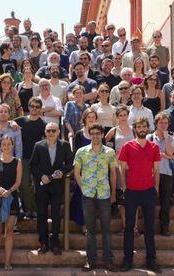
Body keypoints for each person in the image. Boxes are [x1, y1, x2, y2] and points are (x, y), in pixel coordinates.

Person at [118, 117, 161, 273]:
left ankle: (151, 261)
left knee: (149, 228)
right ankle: (127, 260)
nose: (142, 129)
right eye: (139, 126)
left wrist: (155, 188)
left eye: (144, 126)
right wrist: (124, 187)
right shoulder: (127, 146)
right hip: (131, 191)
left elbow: (156, 170)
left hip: (148, 191)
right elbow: (122, 170)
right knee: (129, 227)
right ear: (134, 128)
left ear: (147, 128)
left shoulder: (154, 147)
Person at [73, 123, 117, 272]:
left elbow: (113, 174)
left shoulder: (110, 152)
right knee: (90, 230)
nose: (96, 135)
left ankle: (108, 261)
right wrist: (83, 188)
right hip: (88, 195)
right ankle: (90, 261)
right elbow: (76, 172)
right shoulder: (81, 152)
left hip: (104, 194)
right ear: (89, 134)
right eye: (93, 133)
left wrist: (113, 194)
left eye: (98, 133)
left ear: (102, 134)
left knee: (106, 229)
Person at [30, 122, 73, 255]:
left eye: (53, 131)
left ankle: (55, 243)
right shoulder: (38, 146)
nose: (51, 133)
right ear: (45, 132)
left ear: (59, 132)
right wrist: (41, 176)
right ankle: (43, 242)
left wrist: (63, 171)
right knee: (42, 215)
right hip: (42, 185)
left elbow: (71, 163)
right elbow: (32, 165)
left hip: (57, 185)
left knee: (55, 215)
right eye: (48, 131)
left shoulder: (65, 145)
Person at [0, 136, 22, 270]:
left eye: (9, 144)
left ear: (12, 145)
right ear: (0, 146)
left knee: (9, 231)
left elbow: (18, 181)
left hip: (12, 198)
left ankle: (7, 262)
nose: (7, 146)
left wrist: (10, 191)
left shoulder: (17, 162)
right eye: (4, 144)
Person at [14, 97, 46, 219]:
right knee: (24, 185)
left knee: (37, 186)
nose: (34, 109)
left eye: (37, 107)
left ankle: (35, 210)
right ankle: (28, 209)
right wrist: (12, 123)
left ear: (40, 109)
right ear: (28, 106)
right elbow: (8, 123)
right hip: (23, 158)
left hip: (38, 160)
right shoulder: (20, 121)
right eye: (32, 106)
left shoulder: (43, 124)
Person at [105, 105, 135, 234]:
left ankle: (134, 227)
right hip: (118, 166)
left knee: (133, 197)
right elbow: (104, 142)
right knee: (122, 197)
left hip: (133, 166)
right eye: (120, 115)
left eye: (125, 115)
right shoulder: (113, 130)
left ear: (128, 116)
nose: (123, 118)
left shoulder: (134, 129)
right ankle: (125, 226)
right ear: (117, 117)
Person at [70, 109, 98, 235]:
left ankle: (89, 223)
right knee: (81, 196)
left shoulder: (98, 133)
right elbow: (76, 153)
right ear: (85, 119)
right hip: (81, 171)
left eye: (93, 117)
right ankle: (83, 224)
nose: (91, 119)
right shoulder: (79, 134)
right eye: (89, 117)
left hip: (95, 171)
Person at [147, 112, 174, 236]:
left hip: (166, 173)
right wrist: (165, 155)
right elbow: (149, 155)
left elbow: (171, 154)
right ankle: (149, 228)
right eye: (161, 123)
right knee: (150, 202)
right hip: (151, 173)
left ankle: (165, 228)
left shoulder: (171, 138)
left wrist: (167, 138)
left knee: (165, 203)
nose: (163, 125)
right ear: (156, 124)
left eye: (166, 123)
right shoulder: (150, 137)